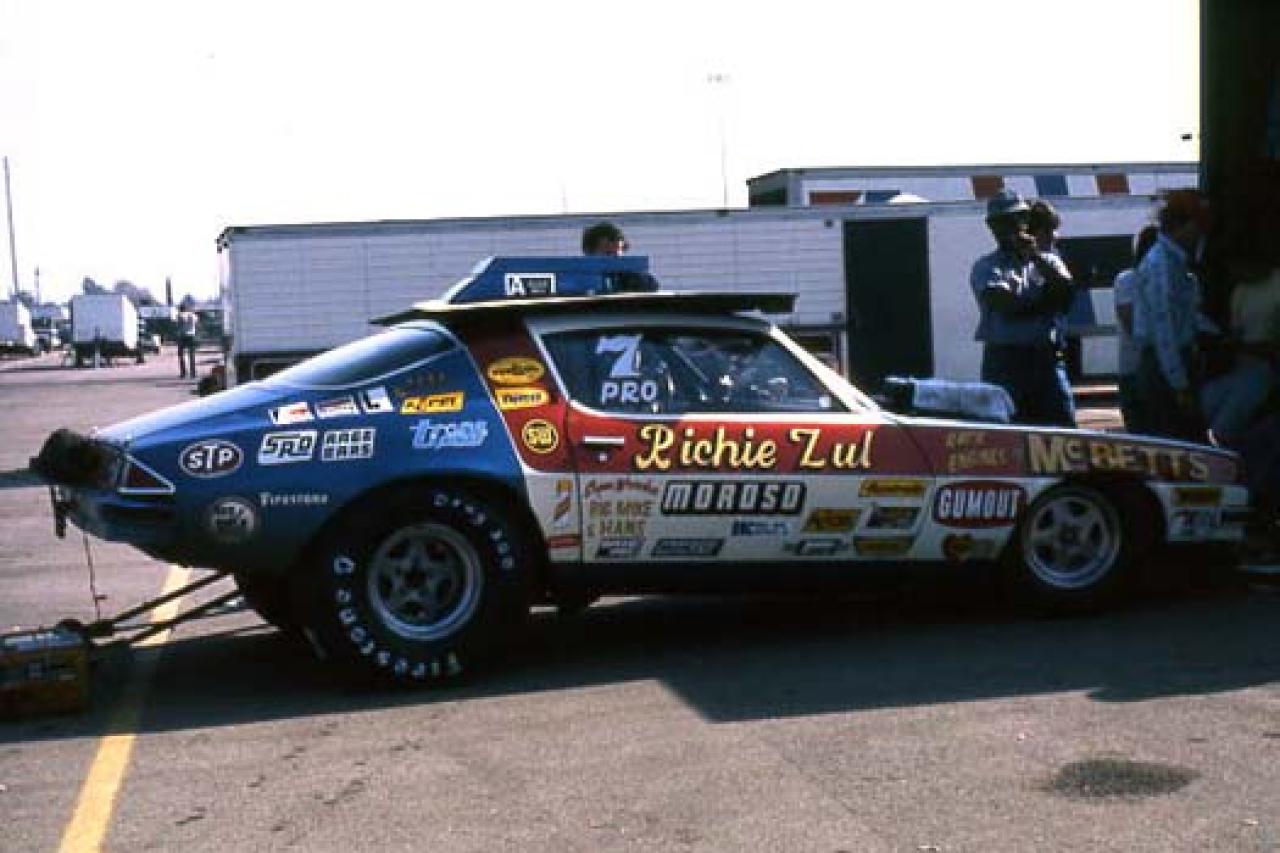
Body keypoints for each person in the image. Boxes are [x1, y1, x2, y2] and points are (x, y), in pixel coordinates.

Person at [969, 189, 1077, 426]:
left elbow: (1066, 292)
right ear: (991, 227)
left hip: (1046, 360)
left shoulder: (1048, 260)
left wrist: (1035, 256)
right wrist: (1046, 303)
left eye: (1018, 218)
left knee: (1063, 427)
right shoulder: (986, 267)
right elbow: (1005, 305)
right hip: (1005, 362)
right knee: (1006, 430)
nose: (1012, 227)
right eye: (1003, 222)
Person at [1131, 190, 1213, 442]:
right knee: (1178, 442)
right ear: (1182, 225)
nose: (1201, 233)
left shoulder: (1176, 263)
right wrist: (1180, 384)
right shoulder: (1162, 265)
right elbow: (1164, 330)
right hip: (1165, 368)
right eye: (1198, 225)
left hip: (1170, 365)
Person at [1200, 262, 1280, 447]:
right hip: (1241, 368)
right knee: (1207, 402)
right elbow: (1236, 334)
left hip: (1268, 370)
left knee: (1228, 424)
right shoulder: (1240, 290)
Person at [1112, 225, 1161, 432]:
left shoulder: (1125, 280)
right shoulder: (1127, 280)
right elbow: (1131, 324)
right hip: (1138, 369)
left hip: (1133, 368)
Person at [580, 221, 659, 292]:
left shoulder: (630, 277)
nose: (613, 258)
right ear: (590, 253)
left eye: (617, 253)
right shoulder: (579, 278)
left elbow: (652, 286)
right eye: (608, 253)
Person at [177, 305, 198, 379]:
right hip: (192, 335)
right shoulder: (193, 315)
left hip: (183, 336)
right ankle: (193, 373)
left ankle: (183, 373)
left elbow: (179, 325)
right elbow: (196, 322)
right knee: (192, 354)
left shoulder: (180, 315)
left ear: (180, 309)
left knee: (181, 354)